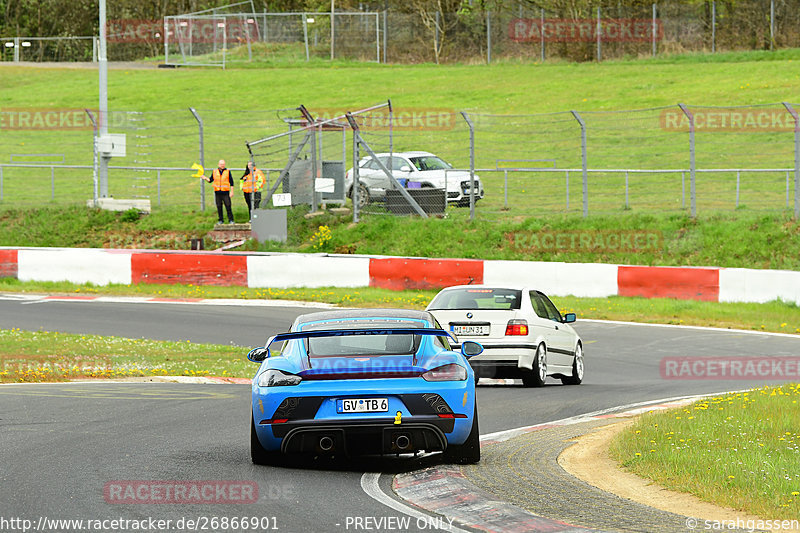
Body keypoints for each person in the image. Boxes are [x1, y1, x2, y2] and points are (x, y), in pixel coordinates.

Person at [204, 159, 235, 224]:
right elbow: (210, 180)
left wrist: (232, 191)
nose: (222, 165)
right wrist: (205, 178)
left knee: (228, 206)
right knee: (219, 206)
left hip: (225, 192)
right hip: (217, 192)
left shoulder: (227, 172)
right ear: (218, 164)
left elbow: (231, 182)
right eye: (221, 164)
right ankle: (221, 220)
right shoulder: (215, 171)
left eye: (223, 164)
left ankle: (231, 220)